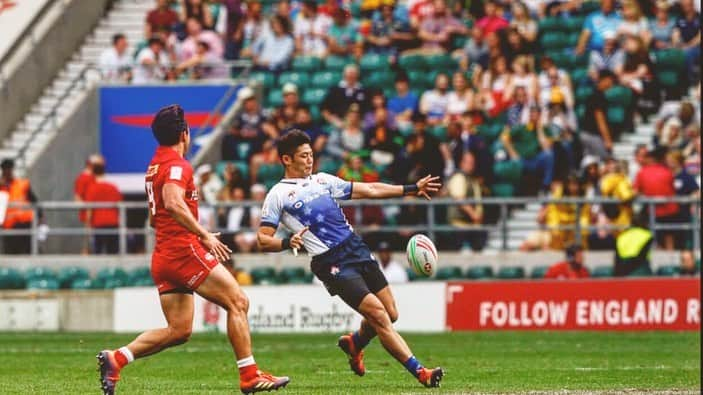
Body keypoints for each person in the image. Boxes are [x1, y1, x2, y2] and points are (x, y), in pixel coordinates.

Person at [97, 105, 288, 395]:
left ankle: (117, 358)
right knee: (238, 302)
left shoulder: (154, 166)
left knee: (179, 330)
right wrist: (204, 235)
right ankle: (249, 375)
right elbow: (173, 203)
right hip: (183, 249)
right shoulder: (177, 165)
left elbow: (153, 218)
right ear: (185, 133)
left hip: (163, 254)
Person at [256, 130, 444, 388]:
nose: (310, 160)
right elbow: (262, 239)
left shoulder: (322, 180)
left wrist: (411, 189)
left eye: (311, 154)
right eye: (303, 156)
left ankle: (355, 343)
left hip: (355, 248)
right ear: (287, 159)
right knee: (378, 315)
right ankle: (421, 372)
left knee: (390, 312)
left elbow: (369, 189)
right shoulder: (277, 195)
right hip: (330, 261)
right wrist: (287, 242)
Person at [446, 151, 487, 251]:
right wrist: (473, 214)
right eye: (468, 162)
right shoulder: (459, 177)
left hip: (473, 226)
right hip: (460, 226)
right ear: (461, 163)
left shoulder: (472, 180)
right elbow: (459, 199)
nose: (471, 165)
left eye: (472, 162)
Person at [1, 159, 38, 254]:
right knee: (11, 252)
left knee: (28, 249)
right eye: (5, 169)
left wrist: (40, 217)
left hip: (25, 222)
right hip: (9, 225)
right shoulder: (1, 187)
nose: (8, 172)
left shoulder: (22, 184)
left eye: (9, 169)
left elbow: (34, 200)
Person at [614, 212, 653, 276]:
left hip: (622, 269)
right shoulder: (647, 235)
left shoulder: (621, 236)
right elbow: (641, 256)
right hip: (639, 269)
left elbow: (617, 259)